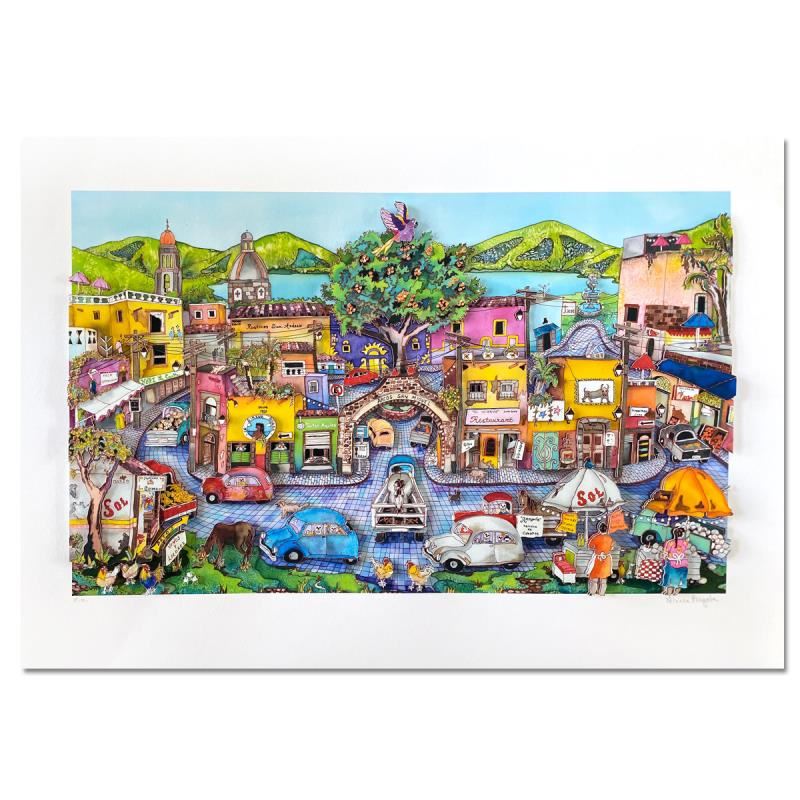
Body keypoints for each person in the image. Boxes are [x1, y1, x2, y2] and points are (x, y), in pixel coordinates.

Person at [587, 521, 614, 596]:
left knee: (594, 577)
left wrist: (598, 549)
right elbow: (612, 548)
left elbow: (590, 546)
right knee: (603, 578)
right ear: (606, 529)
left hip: (598, 559)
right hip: (607, 559)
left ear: (599, 529)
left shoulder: (596, 537)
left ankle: (592, 592)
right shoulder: (610, 538)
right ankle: (602, 593)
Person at [661, 526, 690, 595]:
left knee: (669, 579)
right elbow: (688, 553)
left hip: (671, 563)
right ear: (683, 534)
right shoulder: (686, 543)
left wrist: (664, 559)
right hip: (683, 564)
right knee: (681, 579)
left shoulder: (669, 542)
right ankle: (676, 592)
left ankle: (667, 592)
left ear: (674, 533)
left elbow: (665, 553)